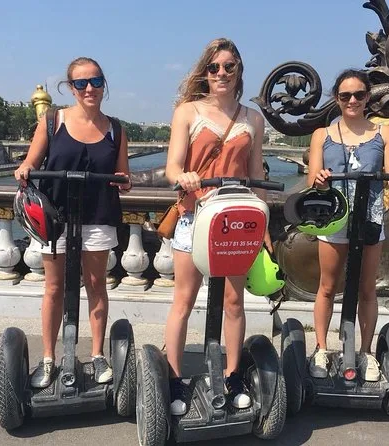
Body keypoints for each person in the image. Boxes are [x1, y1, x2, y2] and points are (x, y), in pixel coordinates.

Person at [164, 37, 271, 415]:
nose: (221, 73)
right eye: (214, 67)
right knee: (184, 300)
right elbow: (172, 166)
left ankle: (232, 375)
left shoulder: (252, 119)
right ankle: (173, 378)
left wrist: (264, 224)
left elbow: (256, 174)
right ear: (205, 72)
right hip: (195, 215)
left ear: (239, 71)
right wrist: (184, 176)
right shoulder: (188, 112)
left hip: (235, 220)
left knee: (233, 301)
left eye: (229, 66)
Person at [14, 56, 131, 388]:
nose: (89, 88)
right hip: (57, 217)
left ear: (103, 84)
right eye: (81, 83)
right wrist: (24, 169)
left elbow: (123, 174)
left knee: (96, 285)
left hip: (98, 216)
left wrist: (124, 181)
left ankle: (97, 355)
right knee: (54, 288)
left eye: (95, 81)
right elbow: (31, 161)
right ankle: (48, 358)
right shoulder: (53, 121)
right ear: (70, 87)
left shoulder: (116, 129)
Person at [307, 69, 389, 381]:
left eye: (359, 95)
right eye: (345, 95)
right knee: (327, 286)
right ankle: (321, 348)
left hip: (370, 218)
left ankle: (366, 352)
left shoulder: (384, 134)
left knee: (367, 288)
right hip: (335, 217)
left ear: (367, 98)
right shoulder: (322, 135)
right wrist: (320, 180)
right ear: (337, 99)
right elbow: (312, 180)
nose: (352, 101)